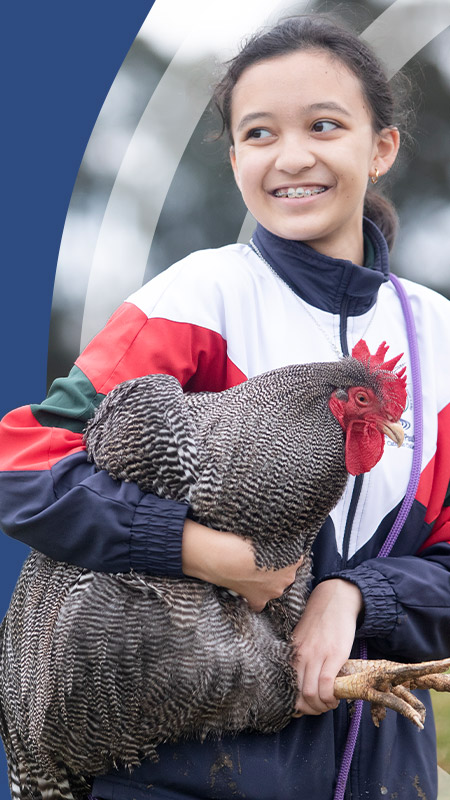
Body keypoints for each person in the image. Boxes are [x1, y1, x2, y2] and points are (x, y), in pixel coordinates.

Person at [0, 13, 449, 800]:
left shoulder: (439, 334)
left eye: (324, 125)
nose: (293, 156)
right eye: (261, 133)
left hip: (380, 773)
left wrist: (358, 595)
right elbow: (21, 461)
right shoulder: (193, 298)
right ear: (237, 157)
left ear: (381, 149)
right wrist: (202, 551)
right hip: (178, 767)